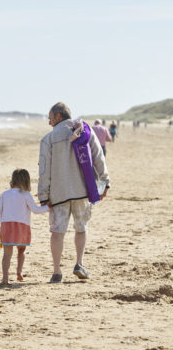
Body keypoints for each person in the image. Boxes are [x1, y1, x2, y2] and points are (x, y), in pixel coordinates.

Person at [38, 103, 110, 283]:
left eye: (50, 118)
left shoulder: (48, 139)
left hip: (58, 192)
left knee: (57, 231)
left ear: (58, 116)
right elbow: (98, 157)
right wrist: (105, 182)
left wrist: (43, 195)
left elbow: (44, 170)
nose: (49, 122)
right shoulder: (85, 130)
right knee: (81, 228)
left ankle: (56, 271)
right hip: (83, 190)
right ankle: (79, 263)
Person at [0, 169, 50, 285]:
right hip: (21, 227)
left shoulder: (4, 194)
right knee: (21, 250)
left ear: (12, 180)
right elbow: (35, 210)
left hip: (6, 226)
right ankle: (19, 272)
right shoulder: (26, 194)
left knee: (7, 254)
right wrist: (48, 207)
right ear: (27, 181)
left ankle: (5, 278)